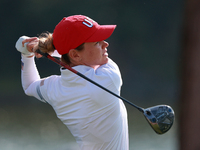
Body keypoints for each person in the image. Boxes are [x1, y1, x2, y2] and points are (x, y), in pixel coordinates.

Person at [15, 15, 129, 150]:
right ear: (75, 55)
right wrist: (43, 48)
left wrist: (27, 55)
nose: (105, 44)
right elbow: (65, 55)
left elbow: (29, 86)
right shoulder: (108, 78)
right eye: (97, 42)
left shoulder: (55, 89)